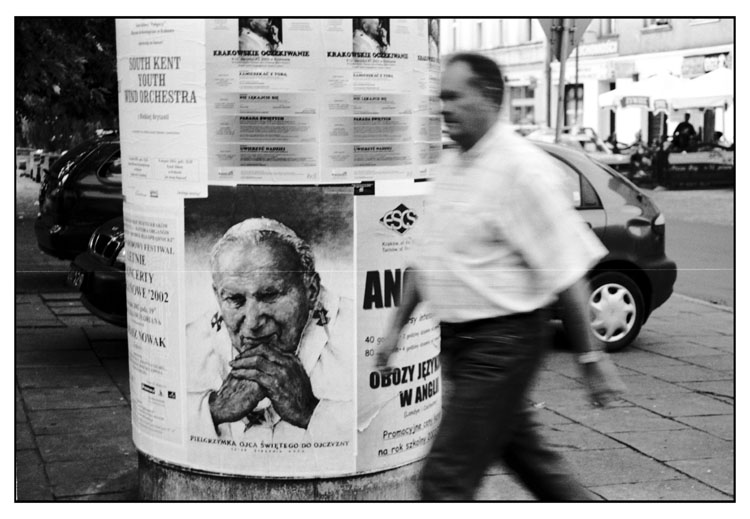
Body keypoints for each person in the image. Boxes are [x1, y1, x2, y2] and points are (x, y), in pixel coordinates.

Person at [375, 52, 626, 501]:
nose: (443, 109)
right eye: (440, 99)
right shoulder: (454, 166)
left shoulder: (522, 170)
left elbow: (565, 271)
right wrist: (395, 328)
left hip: (500, 347)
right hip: (462, 344)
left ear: (489, 97)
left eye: (454, 97)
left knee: (443, 482)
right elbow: (425, 257)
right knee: (536, 466)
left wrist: (591, 358)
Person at [187, 218, 352, 444]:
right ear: (218, 296)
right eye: (235, 299)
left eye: (269, 296)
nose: (253, 322)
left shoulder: (358, 333)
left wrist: (310, 412)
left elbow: (382, 430)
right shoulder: (188, 342)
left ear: (311, 290)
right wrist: (213, 410)